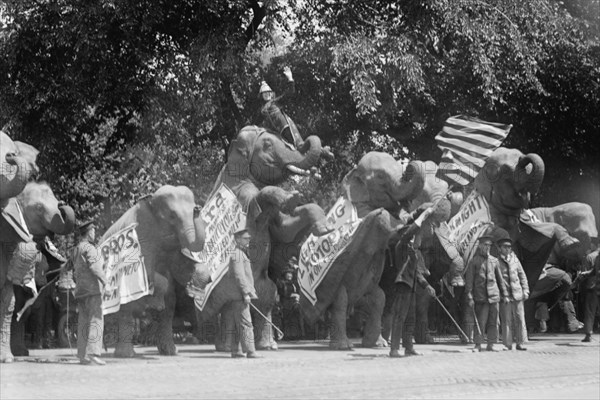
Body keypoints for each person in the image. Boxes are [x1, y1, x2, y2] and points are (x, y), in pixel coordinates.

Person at [388, 221, 437, 358]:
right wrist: (422, 219)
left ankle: (408, 347)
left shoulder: (413, 252)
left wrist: (427, 285)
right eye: (413, 236)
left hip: (411, 287)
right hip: (403, 285)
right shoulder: (401, 246)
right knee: (399, 317)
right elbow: (407, 235)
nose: (417, 238)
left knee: (410, 318)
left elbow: (416, 272)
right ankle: (394, 349)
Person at [465, 233, 509, 352]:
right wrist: (469, 296)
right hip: (481, 297)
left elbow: (500, 280)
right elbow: (469, 281)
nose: (487, 248)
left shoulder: (494, 261)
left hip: (494, 296)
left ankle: (491, 344)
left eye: (489, 246)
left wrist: (505, 295)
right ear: (479, 246)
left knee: (494, 322)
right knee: (480, 322)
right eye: (485, 245)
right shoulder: (473, 261)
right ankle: (478, 344)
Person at [73, 220, 107, 365]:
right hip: (93, 290)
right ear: (88, 232)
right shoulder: (90, 248)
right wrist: (105, 281)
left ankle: (82, 354)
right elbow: (94, 268)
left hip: (80, 290)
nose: (95, 233)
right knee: (96, 321)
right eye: (93, 231)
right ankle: (93, 353)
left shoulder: (76, 249)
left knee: (83, 322)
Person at [228, 225, 261, 359]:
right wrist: (245, 293)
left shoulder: (239, 253)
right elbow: (239, 276)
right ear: (237, 239)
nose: (248, 241)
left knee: (238, 324)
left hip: (237, 295)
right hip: (240, 295)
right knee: (246, 323)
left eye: (248, 238)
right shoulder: (237, 254)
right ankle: (251, 351)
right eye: (245, 239)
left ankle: (236, 350)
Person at [496, 235, 529, 350]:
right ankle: (507, 344)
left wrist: (526, 290)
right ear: (499, 248)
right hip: (505, 296)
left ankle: (520, 342)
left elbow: (522, 276)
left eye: (509, 247)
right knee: (506, 320)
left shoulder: (515, 260)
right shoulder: (496, 261)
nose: (508, 249)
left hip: (517, 294)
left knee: (520, 319)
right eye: (505, 247)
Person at [276, 262, 304, 340]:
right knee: (287, 319)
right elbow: (282, 293)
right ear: (285, 275)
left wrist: (297, 296)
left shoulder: (294, 283)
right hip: (285, 303)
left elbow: (297, 291)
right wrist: (294, 295)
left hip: (294, 303)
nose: (289, 275)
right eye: (288, 274)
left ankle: (296, 335)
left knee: (295, 318)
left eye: (291, 274)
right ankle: (287, 336)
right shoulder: (281, 283)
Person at [578, 249, 599, 342]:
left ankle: (588, 334)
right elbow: (594, 270)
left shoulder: (593, 256)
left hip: (593, 287)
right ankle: (588, 334)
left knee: (590, 312)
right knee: (589, 311)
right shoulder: (597, 257)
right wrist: (586, 273)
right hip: (594, 288)